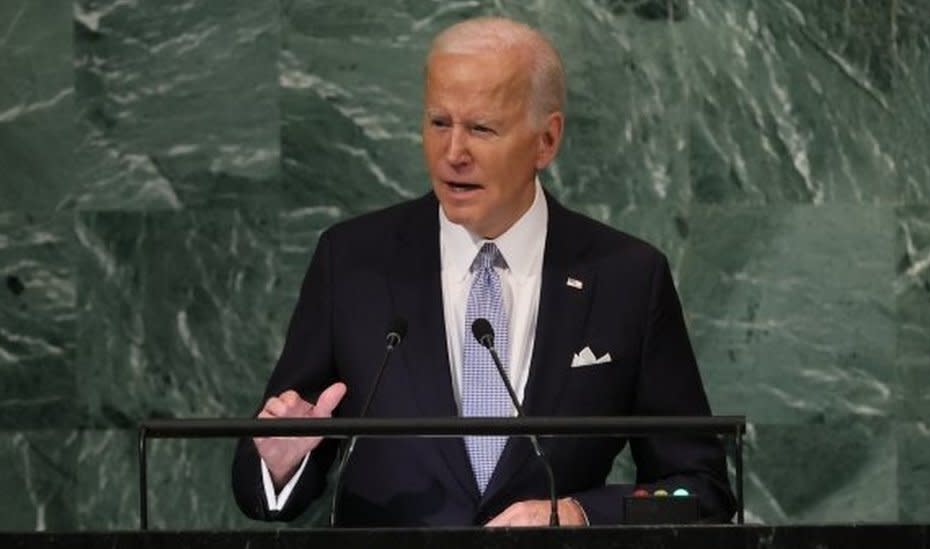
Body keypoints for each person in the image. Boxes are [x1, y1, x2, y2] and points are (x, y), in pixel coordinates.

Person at [232, 16, 734, 527]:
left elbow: (698, 493)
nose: (453, 154)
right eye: (439, 123)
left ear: (547, 140)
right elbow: (264, 475)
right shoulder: (354, 262)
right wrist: (280, 462)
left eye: (481, 128)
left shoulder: (627, 278)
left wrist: (580, 514)